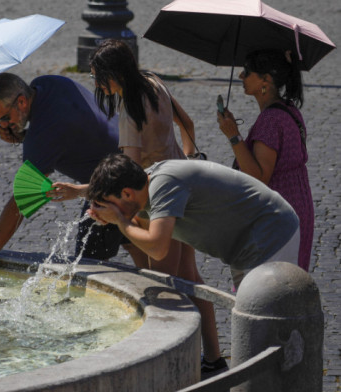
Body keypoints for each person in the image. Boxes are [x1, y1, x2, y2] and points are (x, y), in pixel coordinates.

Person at [49, 39, 225, 376]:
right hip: (183, 184)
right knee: (188, 275)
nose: (94, 79)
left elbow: (128, 180)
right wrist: (188, 157)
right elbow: (186, 122)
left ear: (113, 74)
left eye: (97, 74)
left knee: (159, 282)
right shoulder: (154, 81)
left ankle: (166, 362)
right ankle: (214, 357)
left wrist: (84, 194)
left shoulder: (129, 109)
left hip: (158, 197)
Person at [86, 154, 300, 378]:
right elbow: (139, 221)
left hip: (271, 233)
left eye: (111, 203)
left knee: (265, 327)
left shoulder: (165, 185)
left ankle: (285, 379)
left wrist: (120, 221)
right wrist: (81, 192)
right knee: (256, 327)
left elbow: (157, 247)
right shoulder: (148, 181)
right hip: (250, 242)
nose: (111, 209)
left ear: (127, 193)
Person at [0, 73, 120, 275]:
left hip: (116, 182)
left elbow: (23, 200)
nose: (3, 126)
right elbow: (62, 129)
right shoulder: (46, 83)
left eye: (5, 118)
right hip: (131, 157)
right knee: (140, 245)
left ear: (21, 102)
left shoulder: (43, 137)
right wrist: (24, 136)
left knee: (87, 270)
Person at [217, 49, 314, 272]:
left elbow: (259, 176)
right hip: (297, 205)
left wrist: (234, 136)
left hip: (278, 214)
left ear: (265, 81)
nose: (241, 76)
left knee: (270, 286)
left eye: (248, 71)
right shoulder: (288, 109)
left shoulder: (270, 120)